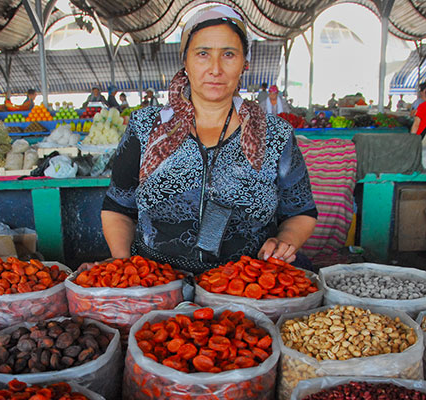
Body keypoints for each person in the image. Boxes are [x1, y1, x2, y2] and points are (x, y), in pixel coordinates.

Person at [101, 5, 317, 274]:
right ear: (186, 61)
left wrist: (286, 241)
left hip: (246, 285)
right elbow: (117, 207)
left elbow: (301, 212)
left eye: (229, 54)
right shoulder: (146, 126)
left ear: (244, 64)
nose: (215, 69)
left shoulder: (275, 134)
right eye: (203, 54)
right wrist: (128, 271)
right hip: (156, 281)